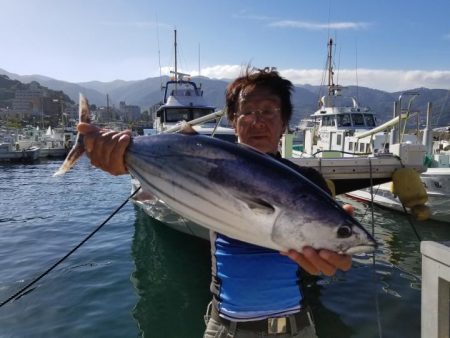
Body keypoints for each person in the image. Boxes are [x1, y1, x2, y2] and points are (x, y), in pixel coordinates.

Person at [78, 67, 352, 338]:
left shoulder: (307, 181)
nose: (257, 121)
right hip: (225, 329)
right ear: (233, 121)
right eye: (246, 112)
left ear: (284, 122)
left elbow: (328, 239)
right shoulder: (211, 167)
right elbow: (174, 169)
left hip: (295, 328)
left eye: (268, 111)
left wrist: (337, 252)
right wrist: (120, 159)